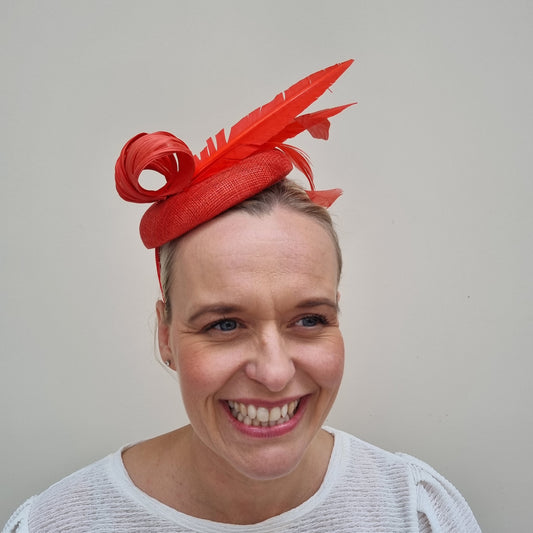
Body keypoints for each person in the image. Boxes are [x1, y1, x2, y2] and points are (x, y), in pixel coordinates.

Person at [3, 61, 481, 532]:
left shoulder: (416, 511)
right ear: (166, 336)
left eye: (310, 319)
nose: (274, 374)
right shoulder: (59, 522)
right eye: (225, 325)